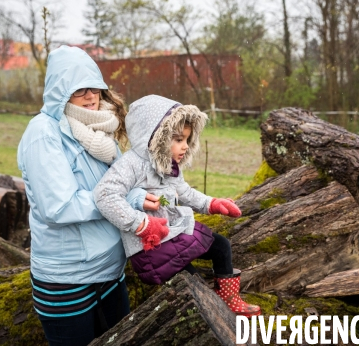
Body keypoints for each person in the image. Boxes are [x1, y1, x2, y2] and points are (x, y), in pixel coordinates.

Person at [17, 46, 160, 346]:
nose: (91, 96)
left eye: (94, 87)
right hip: (67, 280)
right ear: (60, 90)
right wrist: (119, 201)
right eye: (79, 89)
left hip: (110, 271)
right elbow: (60, 207)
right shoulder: (44, 134)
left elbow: (114, 182)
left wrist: (135, 197)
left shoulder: (97, 129)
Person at [94, 95, 261, 317]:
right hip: (151, 247)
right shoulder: (131, 164)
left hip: (173, 233)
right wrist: (140, 224)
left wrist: (211, 203)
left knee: (221, 246)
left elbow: (183, 191)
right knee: (191, 282)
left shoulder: (169, 165)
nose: (184, 147)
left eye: (187, 140)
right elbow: (104, 194)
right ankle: (212, 313)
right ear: (154, 135)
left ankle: (229, 299)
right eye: (178, 139)